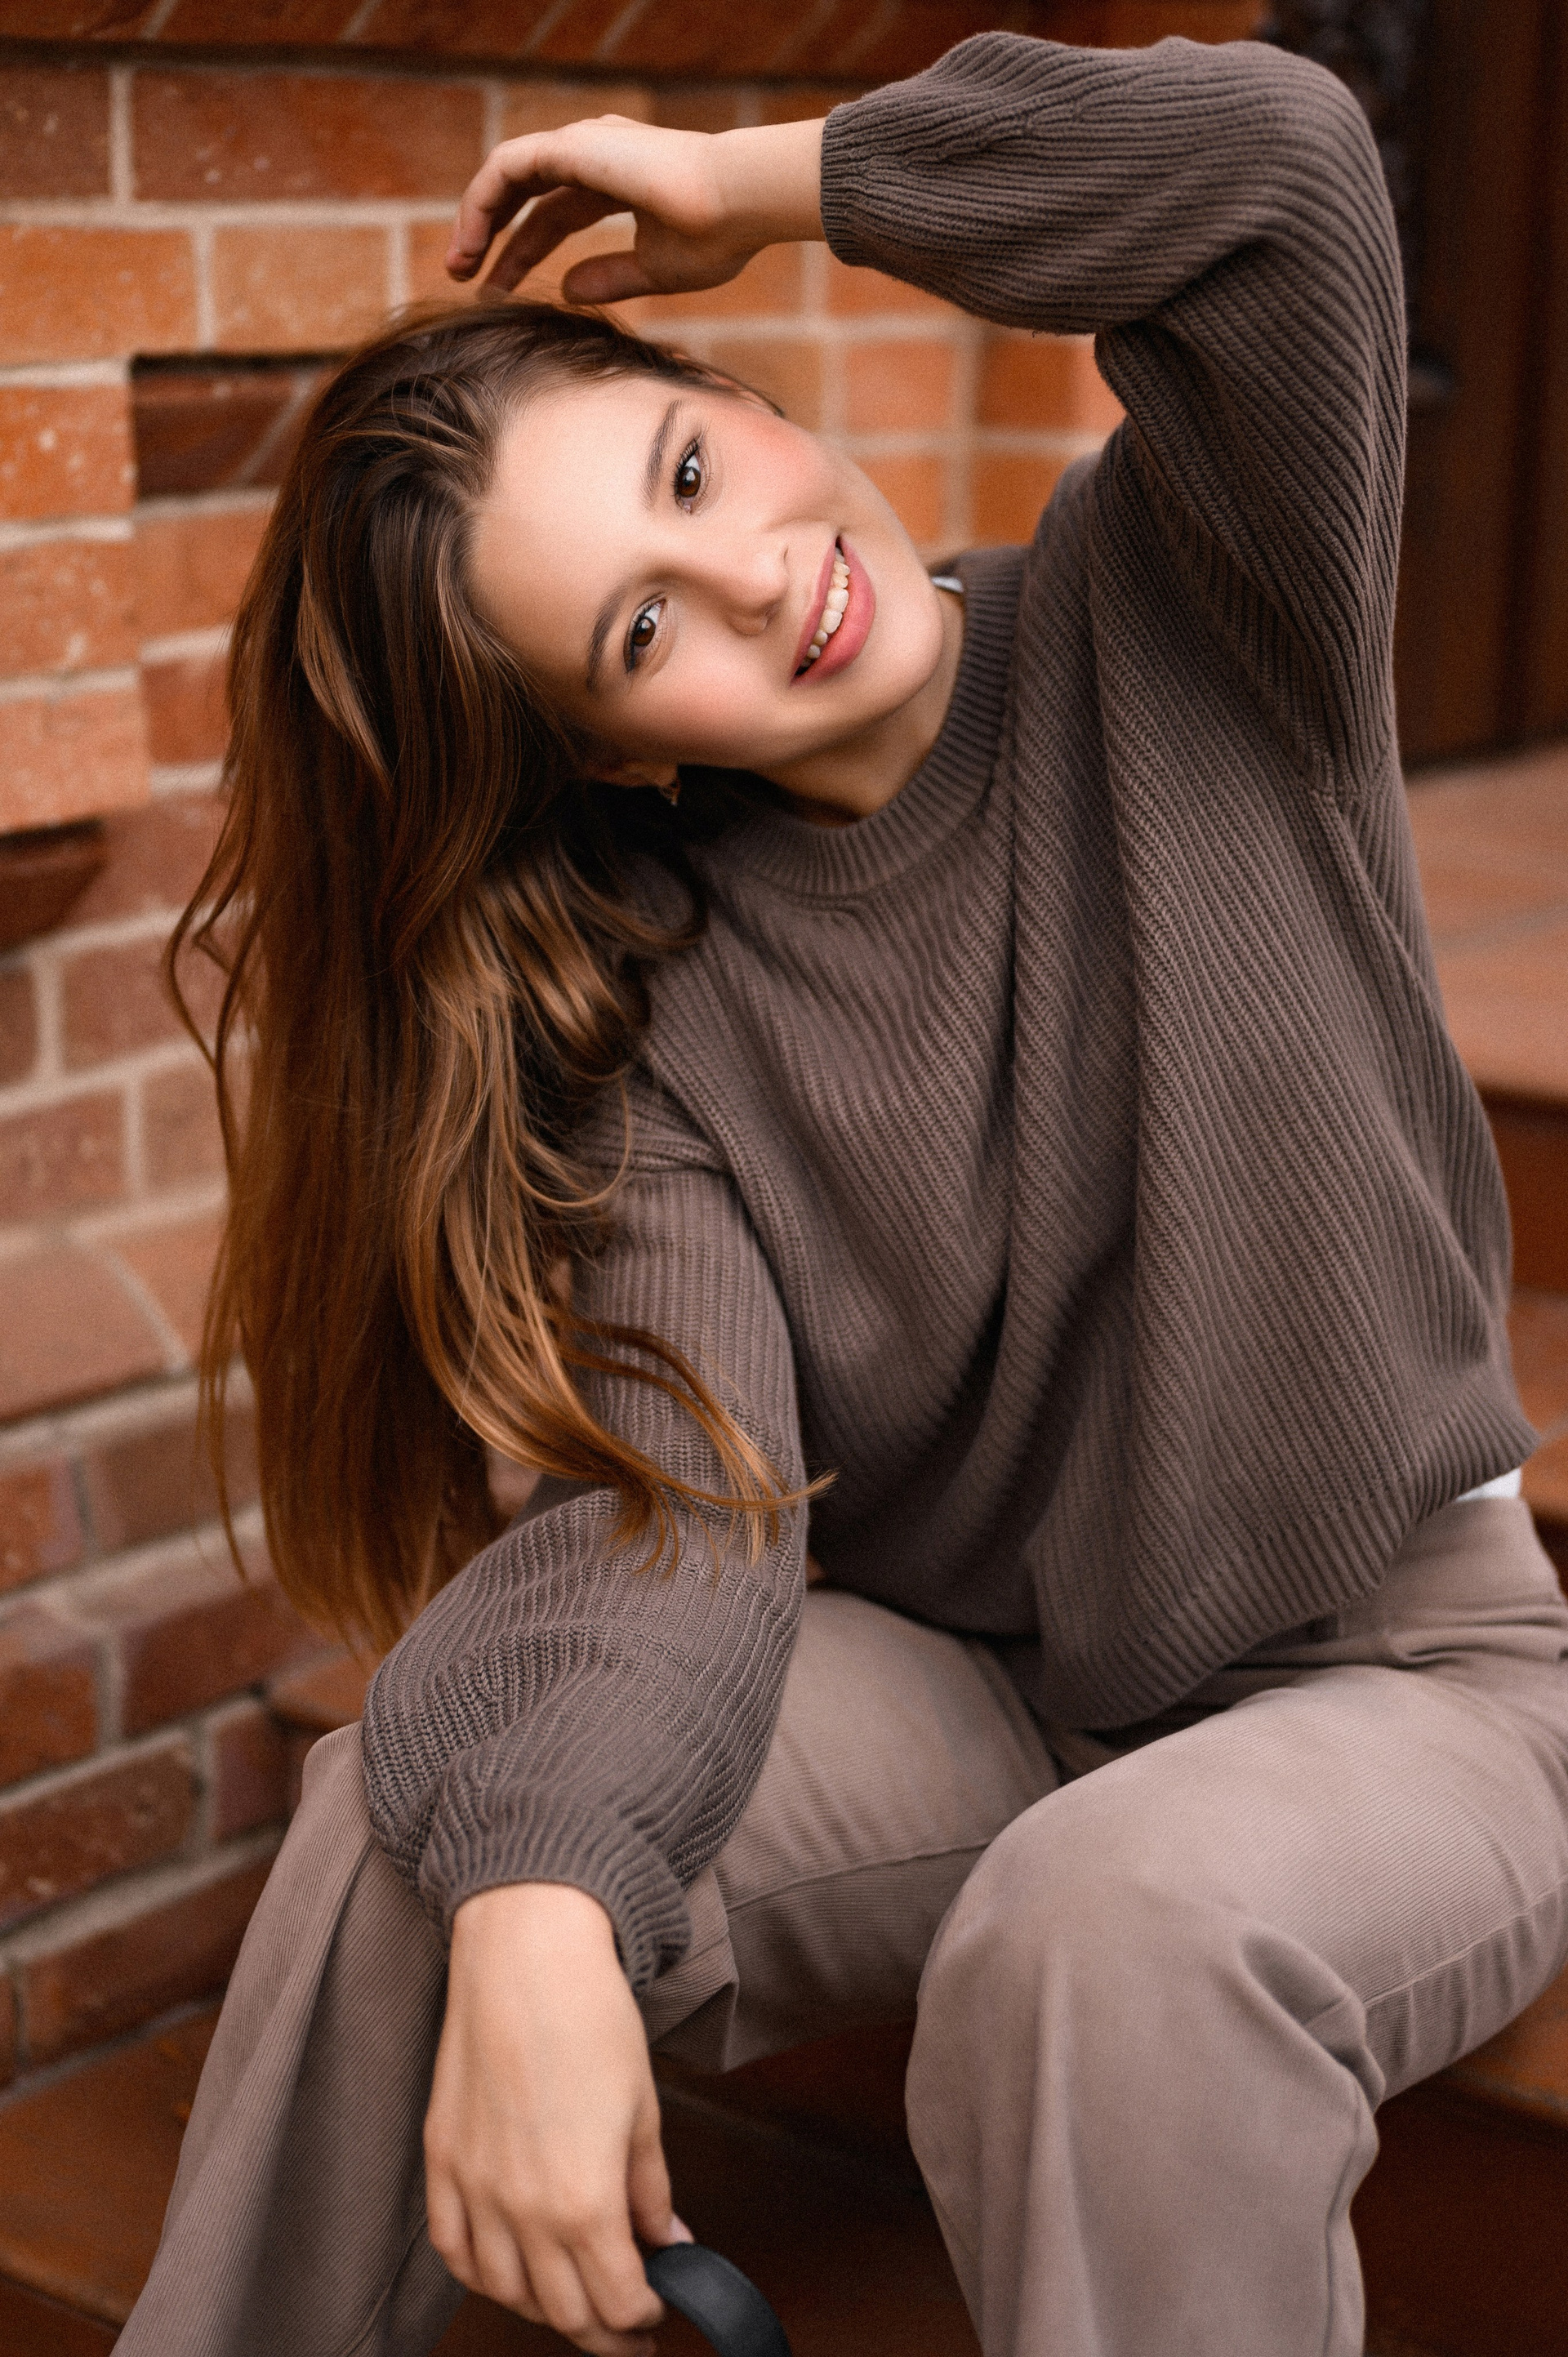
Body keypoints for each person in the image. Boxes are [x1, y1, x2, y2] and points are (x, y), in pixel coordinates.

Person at [119, 29, 1568, 2357]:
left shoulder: (1200, 593)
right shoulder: (655, 1001)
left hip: (1391, 1669)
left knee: (1106, 1926)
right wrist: (536, 1914)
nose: (748, 576)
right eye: (637, 629)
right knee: (429, 1824)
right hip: (988, 1684)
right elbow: (679, 1507)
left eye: (694, 469)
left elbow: (1285, 164)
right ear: (611, 754)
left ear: (744, 391)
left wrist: (775, 176)